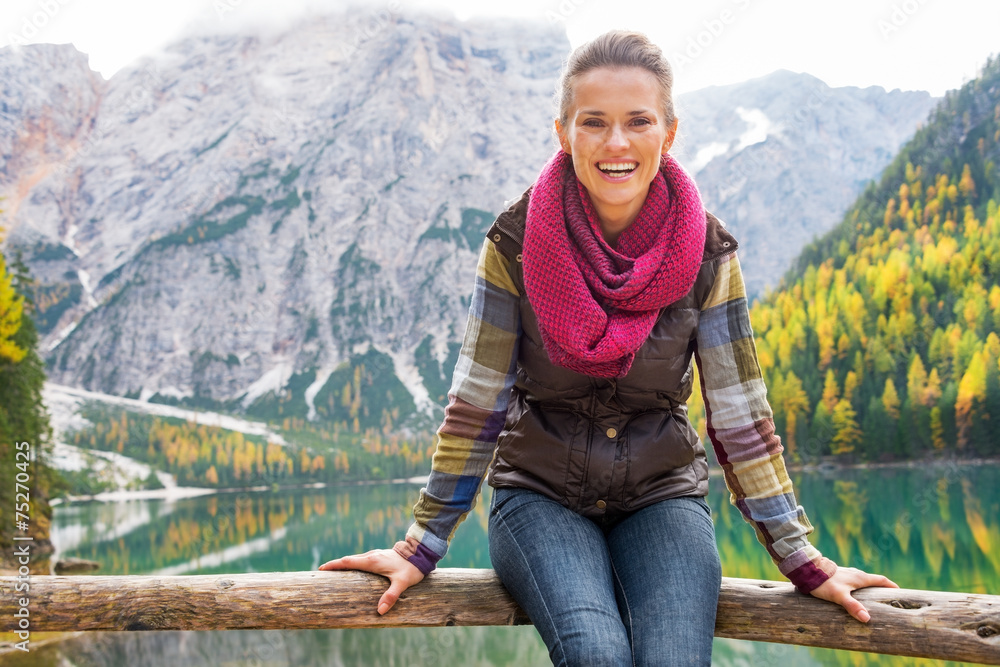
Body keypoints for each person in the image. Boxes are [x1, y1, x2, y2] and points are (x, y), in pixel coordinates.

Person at [320, 30, 897, 666]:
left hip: (661, 494)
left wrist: (804, 561)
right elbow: (477, 403)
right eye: (593, 122)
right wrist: (418, 547)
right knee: (595, 654)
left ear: (668, 133)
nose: (616, 143)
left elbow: (739, 417)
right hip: (538, 498)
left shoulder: (710, 253)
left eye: (637, 121)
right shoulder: (513, 244)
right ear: (564, 133)